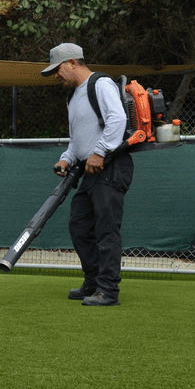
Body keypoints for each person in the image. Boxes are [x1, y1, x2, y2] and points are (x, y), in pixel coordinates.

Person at [42, 43, 132, 307]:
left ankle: (108, 291)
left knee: (106, 230)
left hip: (111, 166)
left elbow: (117, 120)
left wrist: (101, 152)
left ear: (72, 62)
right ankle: (93, 282)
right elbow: (77, 140)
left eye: (57, 69)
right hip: (90, 170)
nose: (56, 76)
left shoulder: (100, 84)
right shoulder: (72, 96)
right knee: (80, 226)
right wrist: (66, 159)